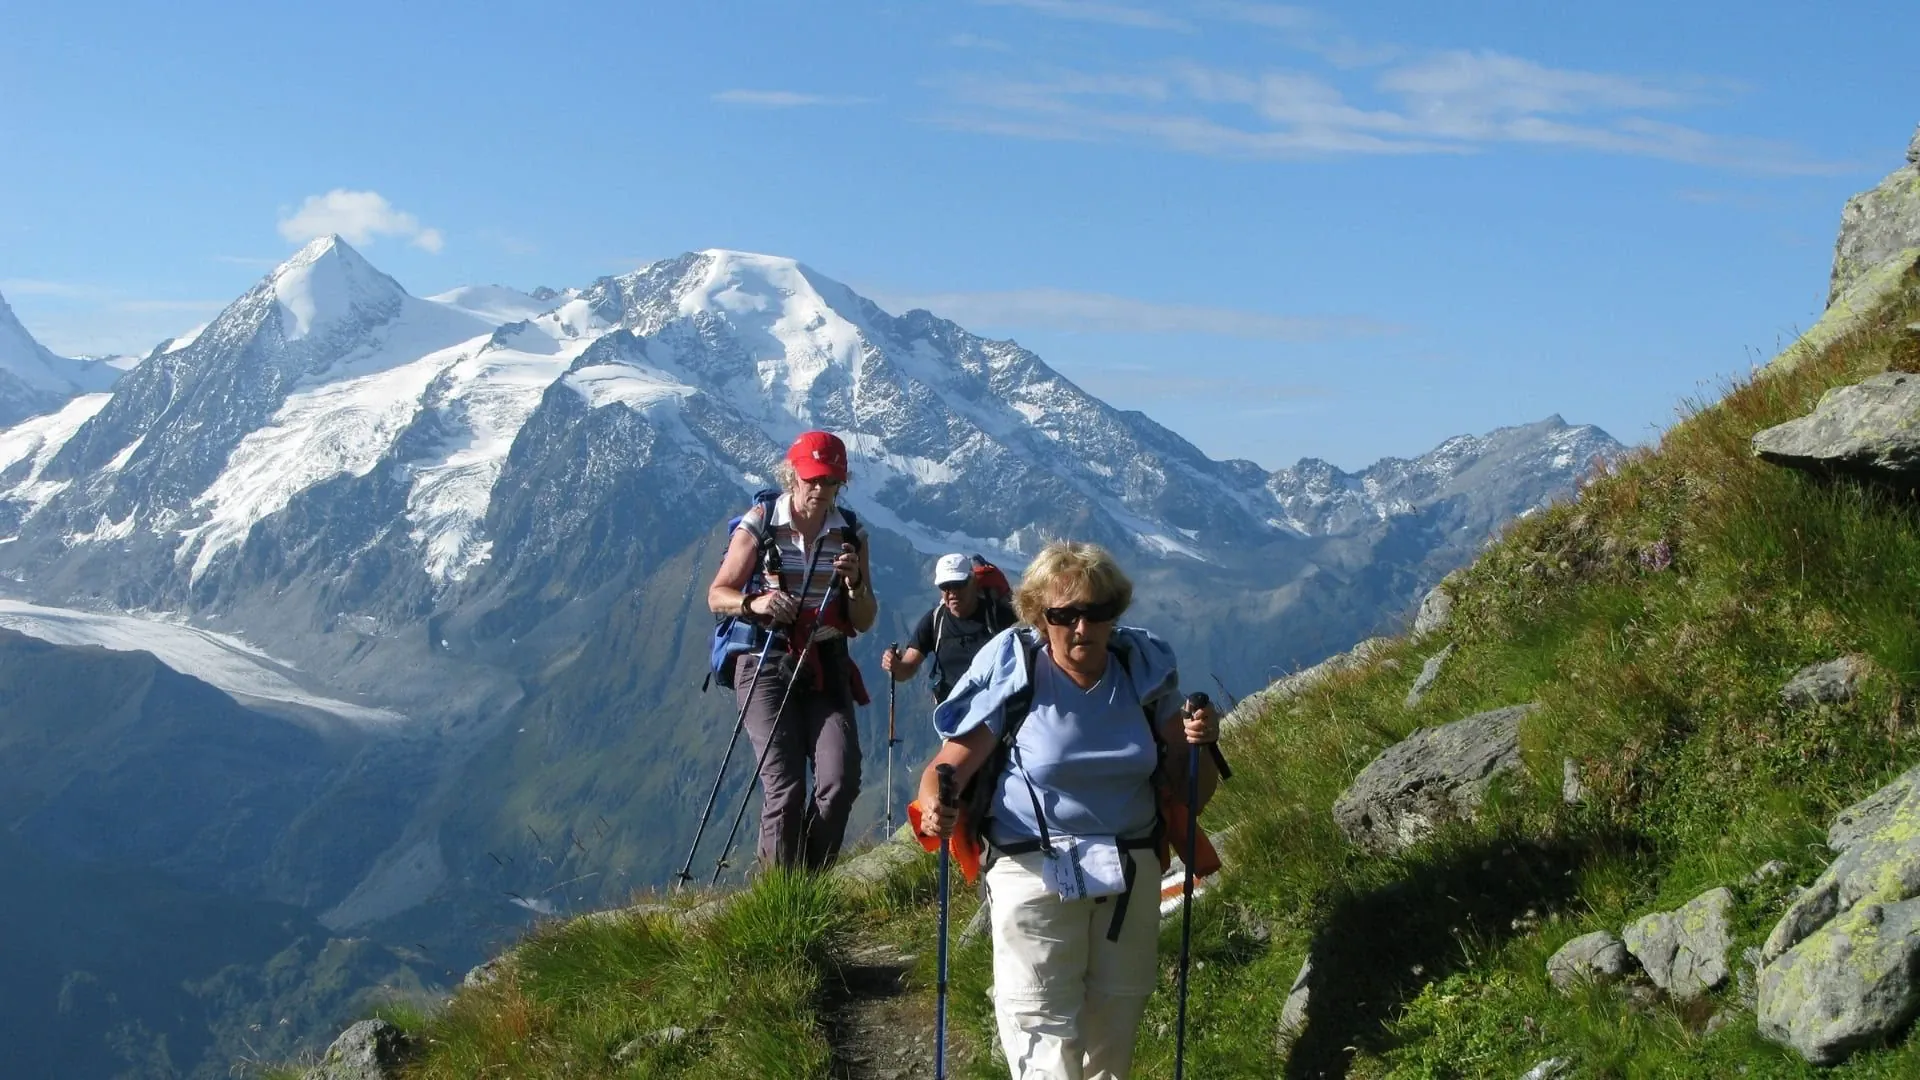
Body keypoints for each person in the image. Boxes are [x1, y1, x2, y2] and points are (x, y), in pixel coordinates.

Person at [915, 541, 1220, 1080]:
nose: (1082, 627)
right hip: (1031, 868)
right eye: (1064, 615)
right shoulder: (1017, 674)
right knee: (1042, 1035)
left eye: (1097, 612)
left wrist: (1200, 746)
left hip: (1129, 870)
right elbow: (948, 766)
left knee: (1113, 1038)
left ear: (1115, 613)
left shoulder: (1142, 675)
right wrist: (937, 806)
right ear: (1038, 615)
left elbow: (1194, 793)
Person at [708, 430, 878, 871]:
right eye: (813, 479)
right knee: (784, 787)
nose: (821, 490)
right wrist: (755, 603)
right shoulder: (761, 522)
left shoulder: (850, 533)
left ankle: (810, 883)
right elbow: (717, 595)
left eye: (832, 482)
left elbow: (862, 619)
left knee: (839, 779)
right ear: (792, 477)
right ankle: (780, 898)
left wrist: (855, 582)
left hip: (825, 660)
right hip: (765, 658)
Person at [882, 552, 1017, 703]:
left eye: (958, 585)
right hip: (953, 713)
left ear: (972, 582)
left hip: (994, 708)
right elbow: (906, 669)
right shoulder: (934, 620)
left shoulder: (998, 615)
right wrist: (894, 666)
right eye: (945, 586)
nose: (952, 592)